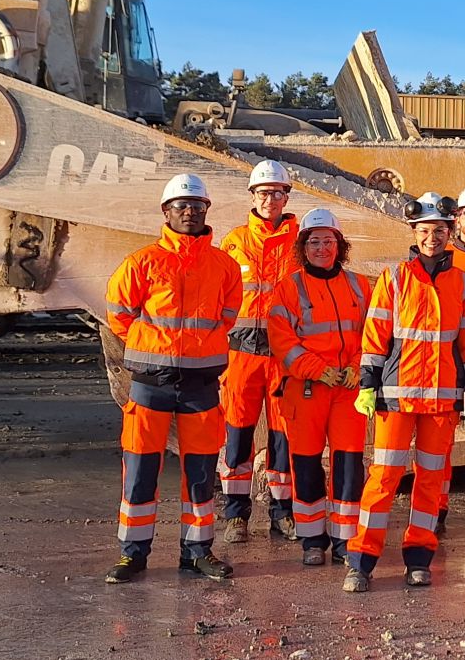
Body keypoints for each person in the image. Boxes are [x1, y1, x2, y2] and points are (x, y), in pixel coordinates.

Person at [345, 195, 465, 592]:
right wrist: (367, 385)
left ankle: (419, 557)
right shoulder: (394, 279)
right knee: (384, 477)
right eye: (425, 231)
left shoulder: (464, 283)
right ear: (414, 233)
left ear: (450, 232)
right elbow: (375, 336)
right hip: (395, 396)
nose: (432, 238)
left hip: (442, 400)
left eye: (439, 231)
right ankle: (361, 560)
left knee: (430, 480)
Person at [103, 173, 240, 584]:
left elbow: (229, 315)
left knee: (200, 473)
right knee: (141, 468)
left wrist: (201, 345)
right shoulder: (141, 262)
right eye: (181, 206)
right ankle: (133, 555)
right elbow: (119, 314)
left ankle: (197, 552)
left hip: (201, 385)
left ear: (206, 211)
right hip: (151, 383)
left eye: (197, 206)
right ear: (166, 211)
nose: (190, 212)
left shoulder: (224, 265)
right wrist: (153, 347)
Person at [267, 207, 371, 568]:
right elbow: (282, 339)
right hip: (306, 389)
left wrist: (358, 369)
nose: (322, 248)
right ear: (303, 246)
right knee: (307, 464)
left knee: (348, 464)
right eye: (315, 242)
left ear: (339, 245)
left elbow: (374, 335)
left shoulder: (360, 286)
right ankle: (312, 538)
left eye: (329, 241)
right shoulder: (288, 288)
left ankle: (345, 540)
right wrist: (317, 369)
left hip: (347, 389)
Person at [219, 159, 299, 542]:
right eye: (263, 193)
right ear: (253, 196)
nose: (270, 199)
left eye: (277, 193)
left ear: (286, 196)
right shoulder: (233, 242)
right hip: (241, 355)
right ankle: (236, 516)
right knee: (237, 435)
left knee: (284, 438)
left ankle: (283, 514)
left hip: (285, 356)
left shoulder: (302, 241)